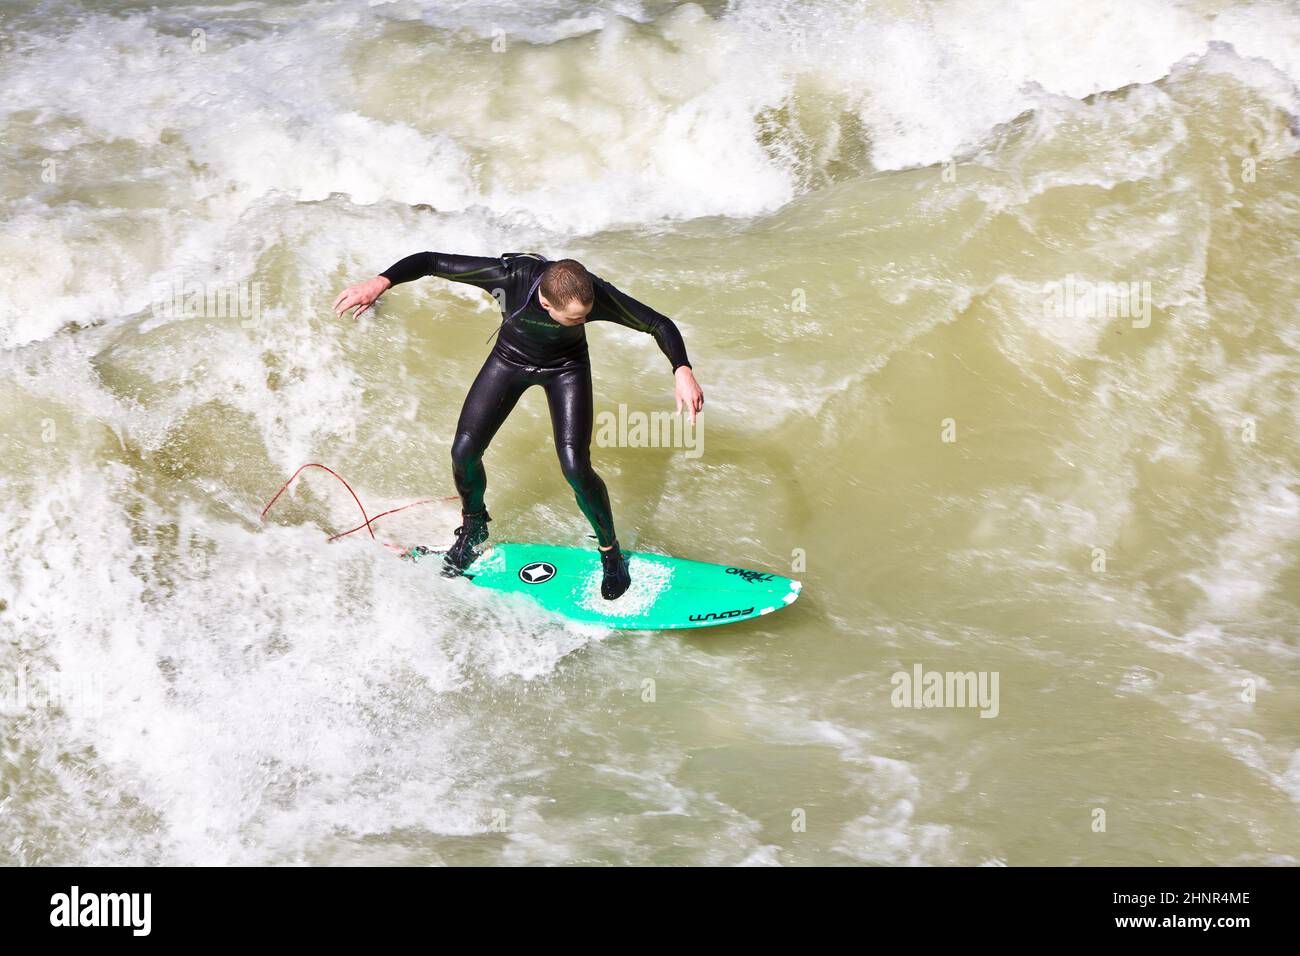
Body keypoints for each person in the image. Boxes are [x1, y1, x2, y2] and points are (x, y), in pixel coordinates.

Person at [333, 252, 703, 599]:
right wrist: (381, 281)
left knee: (575, 466)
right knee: (464, 450)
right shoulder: (509, 278)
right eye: (576, 318)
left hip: (566, 369)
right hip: (509, 360)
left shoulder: (594, 294)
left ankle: (610, 553)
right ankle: (474, 524)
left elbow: (658, 323)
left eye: (586, 315)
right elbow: (431, 261)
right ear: (545, 303)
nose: (585, 321)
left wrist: (681, 368)